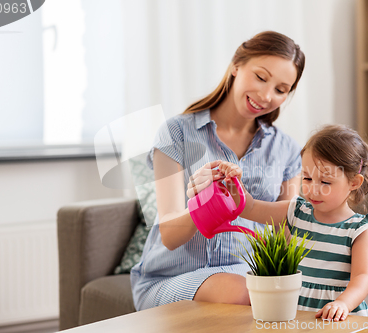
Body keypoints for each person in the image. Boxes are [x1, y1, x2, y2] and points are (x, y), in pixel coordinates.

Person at [130, 31, 306, 311]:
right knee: (246, 294)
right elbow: (170, 236)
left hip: (246, 274)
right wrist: (207, 202)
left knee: (281, 294)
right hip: (171, 277)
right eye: (261, 77)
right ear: (237, 65)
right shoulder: (176, 132)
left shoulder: (286, 149)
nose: (266, 95)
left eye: (281, 90)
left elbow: (288, 231)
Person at [188, 124, 368, 321]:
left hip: (339, 316)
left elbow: (362, 279)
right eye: (307, 178)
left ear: (354, 183)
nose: (313, 189)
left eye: (325, 182)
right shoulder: (295, 211)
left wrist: (343, 303)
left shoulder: (360, 230)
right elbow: (251, 207)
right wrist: (234, 183)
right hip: (297, 311)